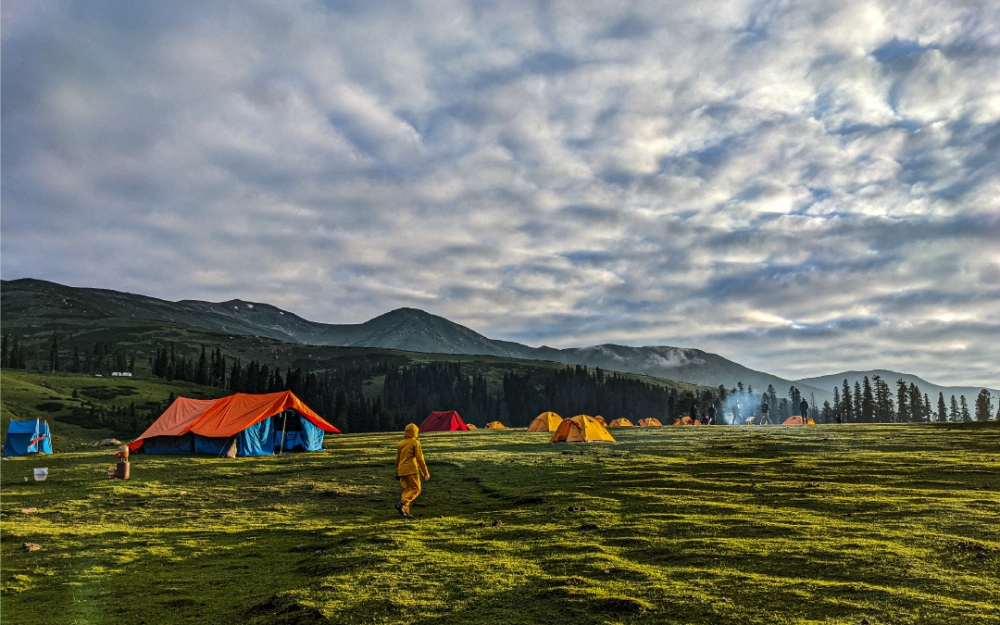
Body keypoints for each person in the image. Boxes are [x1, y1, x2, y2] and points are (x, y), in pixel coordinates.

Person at [395, 424, 430, 519]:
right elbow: (420, 459)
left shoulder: (401, 443)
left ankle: (405, 512)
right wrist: (425, 473)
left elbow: (397, 459)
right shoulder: (415, 443)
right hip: (411, 470)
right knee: (416, 489)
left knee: (406, 491)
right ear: (415, 432)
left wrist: (397, 471)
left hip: (402, 471)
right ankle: (402, 503)